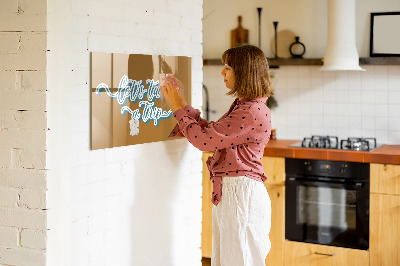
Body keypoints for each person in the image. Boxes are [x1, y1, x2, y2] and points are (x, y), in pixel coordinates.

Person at [161, 44, 273, 266]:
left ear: (244, 72)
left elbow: (204, 141)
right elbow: (212, 133)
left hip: (241, 195)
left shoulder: (250, 111)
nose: (222, 72)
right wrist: (182, 104)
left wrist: (176, 107)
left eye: (228, 67)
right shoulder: (246, 106)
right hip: (236, 193)